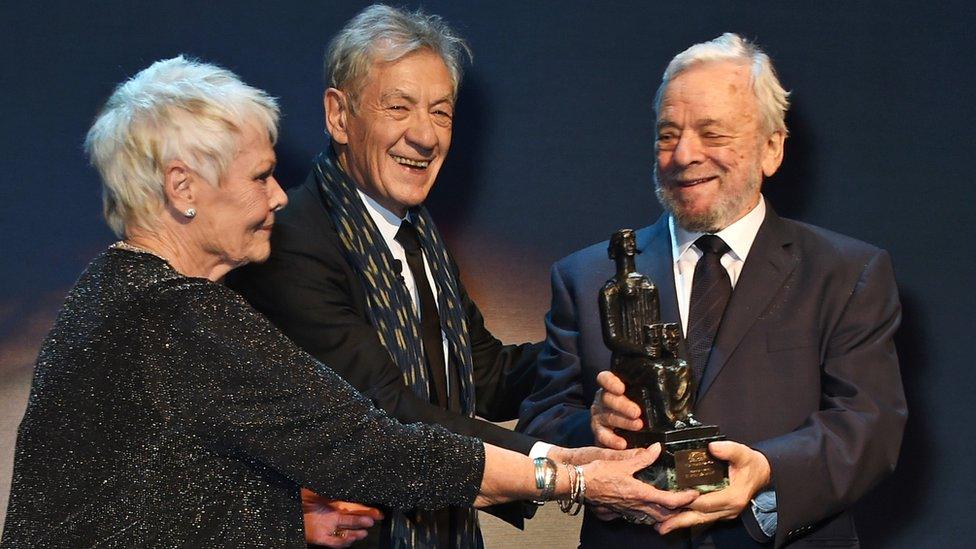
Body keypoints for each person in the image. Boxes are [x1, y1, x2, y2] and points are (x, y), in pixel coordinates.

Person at [0, 55, 695, 548]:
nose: (278, 196)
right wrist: (574, 476)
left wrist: (279, 520)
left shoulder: (109, 294)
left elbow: (153, 496)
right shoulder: (177, 315)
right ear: (183, 188)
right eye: (263, 175)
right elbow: (373, 446)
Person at [517, 33, 907, 548]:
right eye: (667, 134)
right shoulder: (585, 276)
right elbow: (541, 421)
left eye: (712, 133)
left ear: (772, 148)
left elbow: (869, 425)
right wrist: (592, 428)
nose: (683, 155)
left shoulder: (847, 273)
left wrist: (765, 472)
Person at [227, 5, 565, 547]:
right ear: (339, 116)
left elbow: (485, 378)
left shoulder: (418, 236)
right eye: (398, 107)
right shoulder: (294, 243)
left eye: (441, 112)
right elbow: (389, 413)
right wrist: (559, 468)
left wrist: (590, 355)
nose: (425, 137)